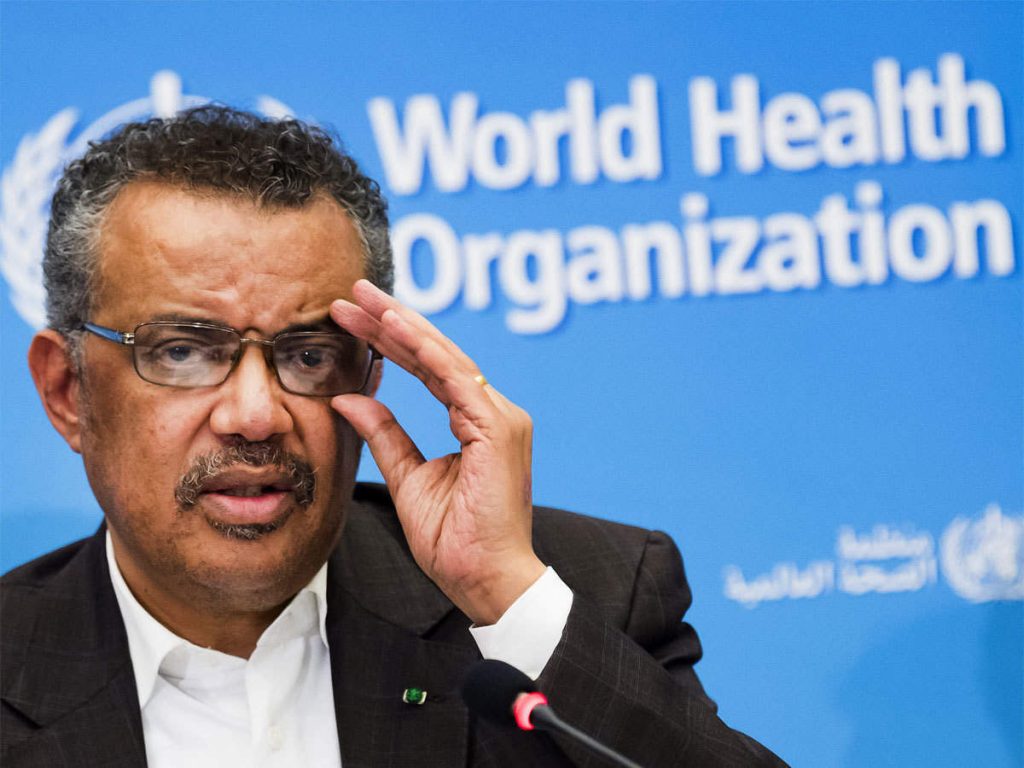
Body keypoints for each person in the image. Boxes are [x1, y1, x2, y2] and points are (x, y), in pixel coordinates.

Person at [1, 106, 786, 767]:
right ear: (67, 392)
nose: (256, 415)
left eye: (309, 355)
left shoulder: (584, 595)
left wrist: (506, 601)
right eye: (181, 351)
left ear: (371, 376)